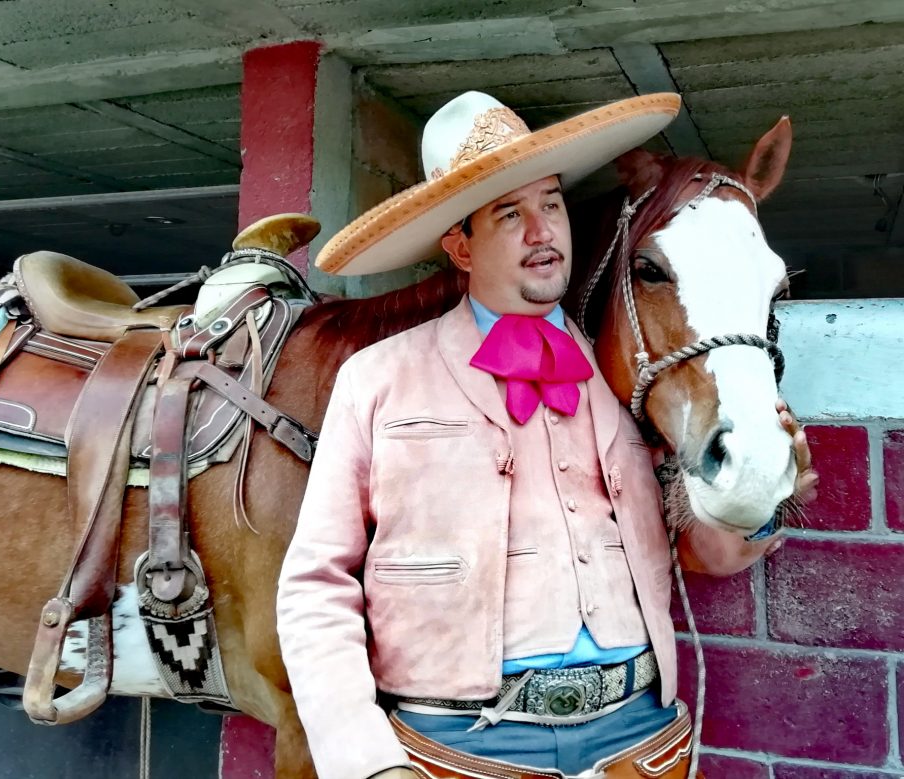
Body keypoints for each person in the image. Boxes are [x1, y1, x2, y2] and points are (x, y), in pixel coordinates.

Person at [276, 91, 817, 779]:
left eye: (551, 203)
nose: (543, 230)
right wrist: (365, 760)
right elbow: (314, 584)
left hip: (640, 740)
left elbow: (705, 551)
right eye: (510, 213)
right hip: (459, 747)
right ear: (461, 245)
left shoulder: (630, 376)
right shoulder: (376, 378)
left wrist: (758, 497)